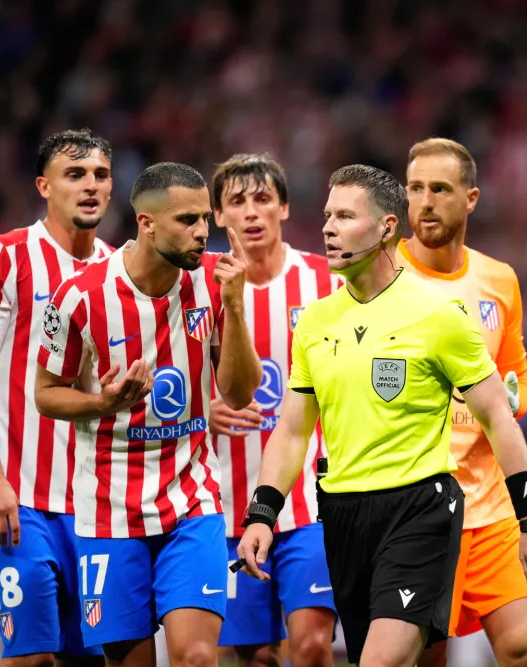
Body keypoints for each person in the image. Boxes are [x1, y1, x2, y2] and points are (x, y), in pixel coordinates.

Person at [235, 164, 527, 667]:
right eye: (327, 215)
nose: (327, 227)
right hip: (343, 516)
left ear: (388, 227)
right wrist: (263, 511)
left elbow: (500, 417)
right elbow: (294, 429)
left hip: (420, 509)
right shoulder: (317, 322)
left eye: (345, 216)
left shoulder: (437, 316)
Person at [33, 162, 263, 667]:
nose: (203, 231)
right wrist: (104, 403)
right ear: (146, 223)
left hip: (192, 499)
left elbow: (240, 393)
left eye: (205, 218)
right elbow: (46, 394)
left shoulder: (213, 283)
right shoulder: (79, 297)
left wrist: (236, 308)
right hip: (109, 509)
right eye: (187, 220)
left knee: (198, 657)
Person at [0, 128, 114, 667]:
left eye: (99, 175)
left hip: (97, 506)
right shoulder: (3, 255)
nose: (89, 186)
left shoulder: (119, 271)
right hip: (15, 493)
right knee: (33, 658)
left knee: (89, 659)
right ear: (44, 186)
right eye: (74, 175)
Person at [396, 138, 527, 667]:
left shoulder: (499, 279)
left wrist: (504, 400)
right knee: (422, 659)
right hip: (414, 508)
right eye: (415, 189)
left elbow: (520, 383)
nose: (425, 202)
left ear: (472, 198)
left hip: (492, 506)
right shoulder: (381, 277)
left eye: (440, 189)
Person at [209, 153, 339, 667]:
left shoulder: (327, 282)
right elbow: (168, 365)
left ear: (284, 207)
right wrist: (205, 409)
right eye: (236, 202)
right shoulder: (200, 283)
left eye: (263, 199)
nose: (251, 213)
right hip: (226, 503)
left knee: (310, 645)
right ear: (218, 216)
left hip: (310, 498)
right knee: (256, 655)